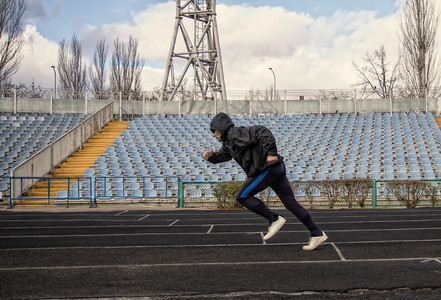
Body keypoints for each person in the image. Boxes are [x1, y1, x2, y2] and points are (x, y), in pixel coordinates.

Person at [203, 112, 327, 250]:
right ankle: (317, 233)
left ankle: (273, 219)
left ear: (221, 128)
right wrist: (211, 157)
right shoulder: (228, 143)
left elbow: (262, 131)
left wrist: (271, 153)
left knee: (242, 196)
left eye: (214, 132)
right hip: (275, 168)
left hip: (266, 169)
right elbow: (223, 156)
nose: (213, 135)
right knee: (291, 203)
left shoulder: (238, 134)